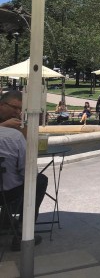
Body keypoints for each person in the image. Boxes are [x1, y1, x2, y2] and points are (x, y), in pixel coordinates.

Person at [0, 91, 48, 251]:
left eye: (20, 109)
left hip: (6, 189)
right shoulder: (14, 136)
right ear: (2, 105)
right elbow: (28, 171)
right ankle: (22, 233)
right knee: (37, 181)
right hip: (7, 193)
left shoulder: (17, 130)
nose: (17, 112)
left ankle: (6, 219)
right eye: (15, 108)